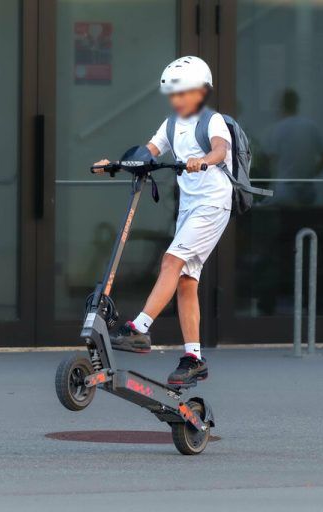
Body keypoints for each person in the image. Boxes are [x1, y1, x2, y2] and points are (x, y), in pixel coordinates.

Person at [92, 56, 232, 386]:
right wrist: (115, 164)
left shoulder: (211, 121)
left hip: (213, 203)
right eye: (173, 94)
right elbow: (148, 152)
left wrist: (203, 160)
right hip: (190, 206)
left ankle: (139, 329)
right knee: (186, 280)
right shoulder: (170, 124)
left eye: (183, 93)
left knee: (171, 261)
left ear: (201, 91)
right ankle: (194, 359)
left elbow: (220, 150)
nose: (176, 100)